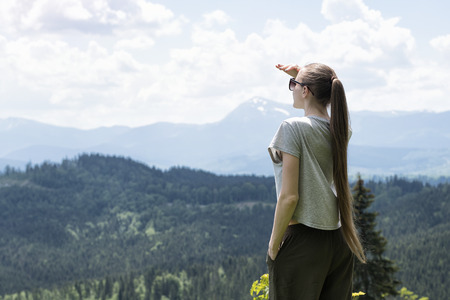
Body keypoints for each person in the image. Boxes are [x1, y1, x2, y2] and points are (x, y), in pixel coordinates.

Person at [266, 63, 366, 300]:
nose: (291, 89)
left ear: (306, 91)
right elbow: (327, 88)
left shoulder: (292, 128)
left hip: (302, 241)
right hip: (339, 239)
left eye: (294, 85)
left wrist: (273, 245)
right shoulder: (341, 130)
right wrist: (302, 77)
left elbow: (290, 197)